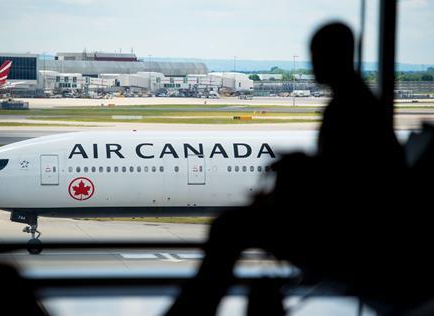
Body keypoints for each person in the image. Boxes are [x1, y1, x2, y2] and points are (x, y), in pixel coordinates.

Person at [165, 23, 418, 316]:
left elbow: (346, 184)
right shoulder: (356, 101)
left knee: (228, 228)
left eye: (318, 56)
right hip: (349, 224)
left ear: (337, 57)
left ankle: (193, 309)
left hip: (345, 230)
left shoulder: (350, 107)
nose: (314, 65)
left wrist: (294, 176)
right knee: (232, 226)